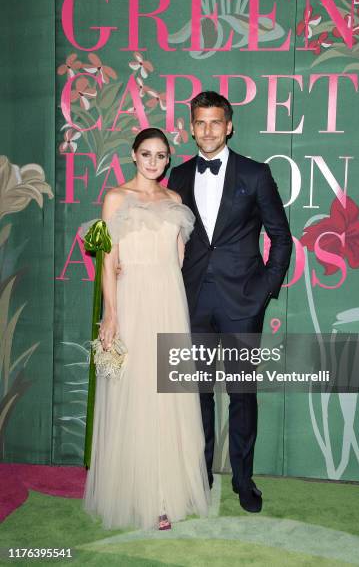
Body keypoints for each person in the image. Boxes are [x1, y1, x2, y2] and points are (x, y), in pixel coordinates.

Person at [168, 91, 292, 513]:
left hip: (243, 302)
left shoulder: (256, 174)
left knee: (241, 394)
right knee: (196, 393)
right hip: (193, 301)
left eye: (215, 122)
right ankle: (198, 475)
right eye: (200, 123)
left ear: (229, 126)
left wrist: (264, 290)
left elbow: (280, 236)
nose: (207, 130)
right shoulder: (179, 176)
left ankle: (243, 479)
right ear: (191, 126)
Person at [82, 128, 211, 531]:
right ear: (133, 156)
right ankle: (135, 493)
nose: (153, 162)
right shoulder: (115, 198)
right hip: (133, 300)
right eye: (146, 154)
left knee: (167, 397)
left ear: (168, 158)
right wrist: (112, 313)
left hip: (169, 303)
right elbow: (108, 259)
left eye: (160, 155)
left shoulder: (175, 201)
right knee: (134, 393)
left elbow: (180, 258)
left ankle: (163, 495)